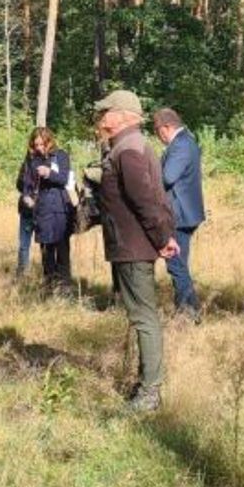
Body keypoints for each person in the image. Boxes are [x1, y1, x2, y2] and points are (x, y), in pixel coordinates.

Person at [93, 90, 178, 412]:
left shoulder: (128, 150)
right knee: (142, 316)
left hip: (133, 246)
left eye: (106, 113)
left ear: (125, 115)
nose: (102, 119)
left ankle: (150, 392)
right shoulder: (128, 147)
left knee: (144, 318)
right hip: (133, 244)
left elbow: (146, 201)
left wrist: (162, 237)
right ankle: (145, 383)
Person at [153, 108, 205, 321]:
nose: (158, 137)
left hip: (180, 215)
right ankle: (191, 312)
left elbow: (167, 177)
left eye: (157, 132)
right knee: (179, 264)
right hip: (185, 213)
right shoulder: (186, 141)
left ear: (166, 127)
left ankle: (187, 313)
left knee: (176, 265)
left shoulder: (181, 145)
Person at [17, 127, 75, 293]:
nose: (39, 148)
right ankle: (49, 286)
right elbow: (25, 184)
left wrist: (49, 173)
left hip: (60, 210)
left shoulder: (61, 155)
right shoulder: (31, 159)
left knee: (62, 250)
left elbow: (64, 179)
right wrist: (27, 197)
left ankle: (65, 288)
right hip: (41, 211)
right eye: (36, 145)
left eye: (42, 144)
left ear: (49, 141)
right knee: (46, 251)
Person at [14, 137, 38, 278]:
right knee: (24, 245)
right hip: (27, 210)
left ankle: (48, 274)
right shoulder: (26, 165)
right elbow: (18, 184)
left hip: (41, 210)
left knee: (44, 244)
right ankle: (22, 273)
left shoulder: (47, 163)